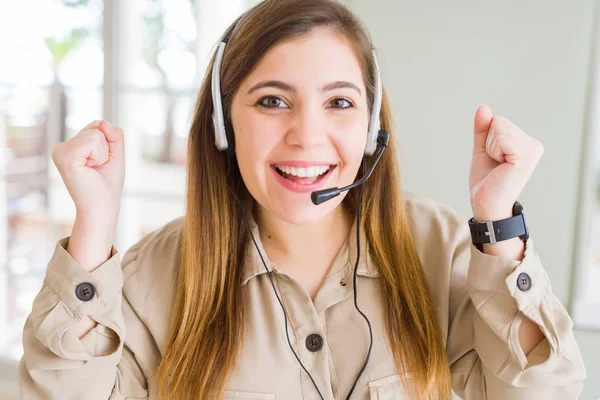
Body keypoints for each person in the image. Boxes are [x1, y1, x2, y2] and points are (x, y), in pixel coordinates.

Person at [18, 0, 586, 399]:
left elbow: (543, 394)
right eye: (271, 101)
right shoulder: (156, 275)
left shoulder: (439, 247)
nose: (308, 137)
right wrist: (93, 226)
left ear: (370, 127)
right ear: (223, 123)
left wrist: (499, 226)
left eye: (339, 103)